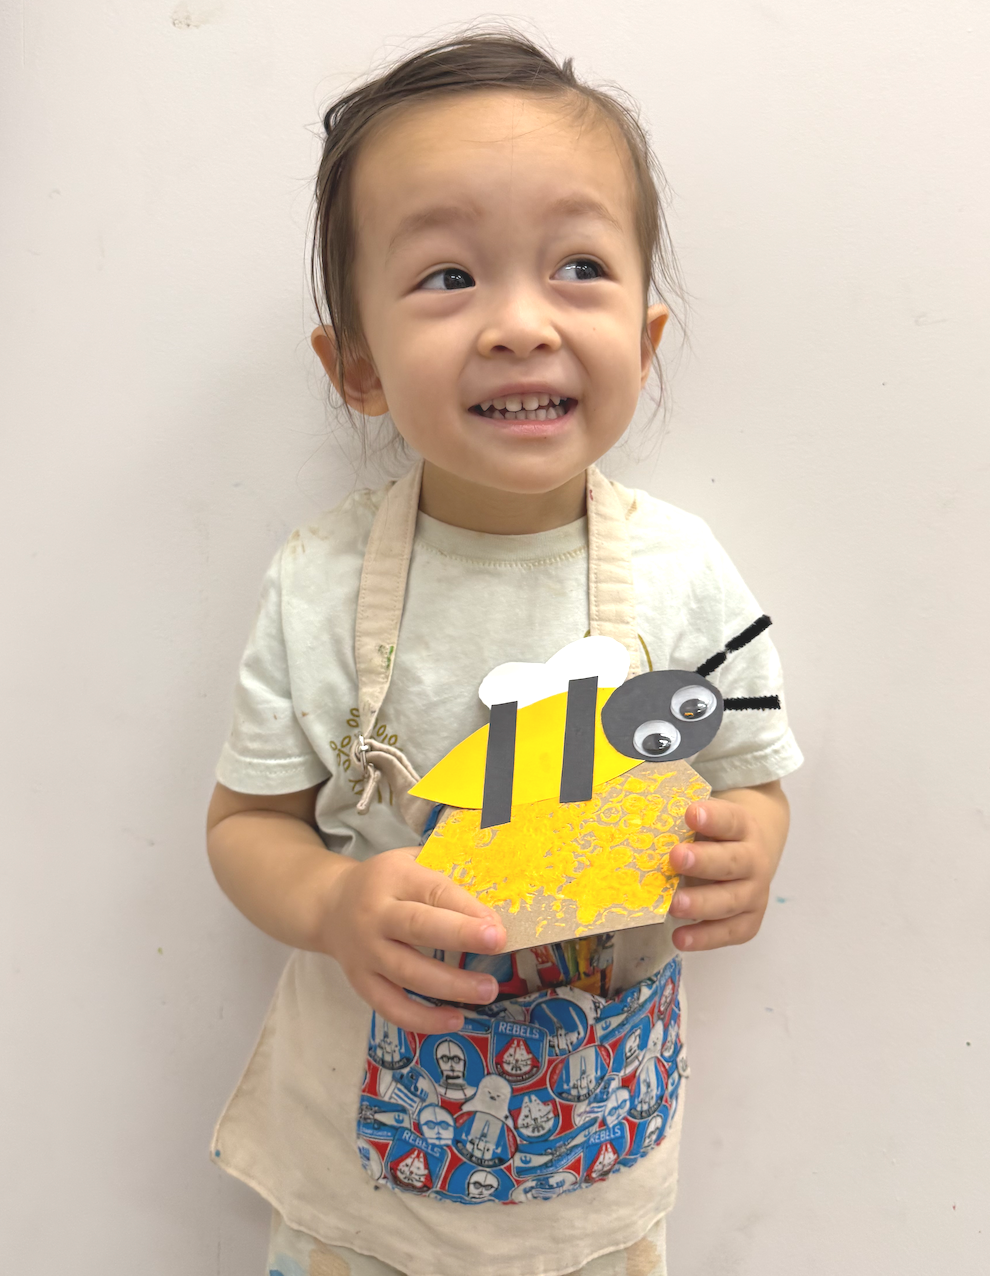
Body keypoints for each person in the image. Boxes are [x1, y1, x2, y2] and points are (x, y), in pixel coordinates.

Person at [205, 30, 802, 1276]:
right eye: (447, 277)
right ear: (356, 364)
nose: (521, 324)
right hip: (355, 1196)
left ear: (646, 336)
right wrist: (330, 901)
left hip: (593, 1180)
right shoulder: (318, 583)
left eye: (578, 267)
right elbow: (246, 824)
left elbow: (751, 781)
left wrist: (748, 847)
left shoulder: (688, 573)